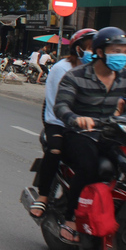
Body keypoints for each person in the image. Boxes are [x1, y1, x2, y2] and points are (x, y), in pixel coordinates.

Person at [53, 26, 126, 243]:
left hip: (111, 132)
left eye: (124, 51)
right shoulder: (75, 76)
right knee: (89, 168)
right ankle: (71, 219)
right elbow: (61, 107)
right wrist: (75, 118)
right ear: (101, 52)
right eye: (116, 51)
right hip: (80, 133)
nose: (122, 56)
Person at [28, 28, 96, 219]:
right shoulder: (63, 68)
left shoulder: (102, 70)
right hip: (59, 121)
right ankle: (44, 196)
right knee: (55, 149)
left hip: (93, 124)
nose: (93, 52)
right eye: (89, 47)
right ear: (77, 49)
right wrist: (75, 118)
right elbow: (58, 102)